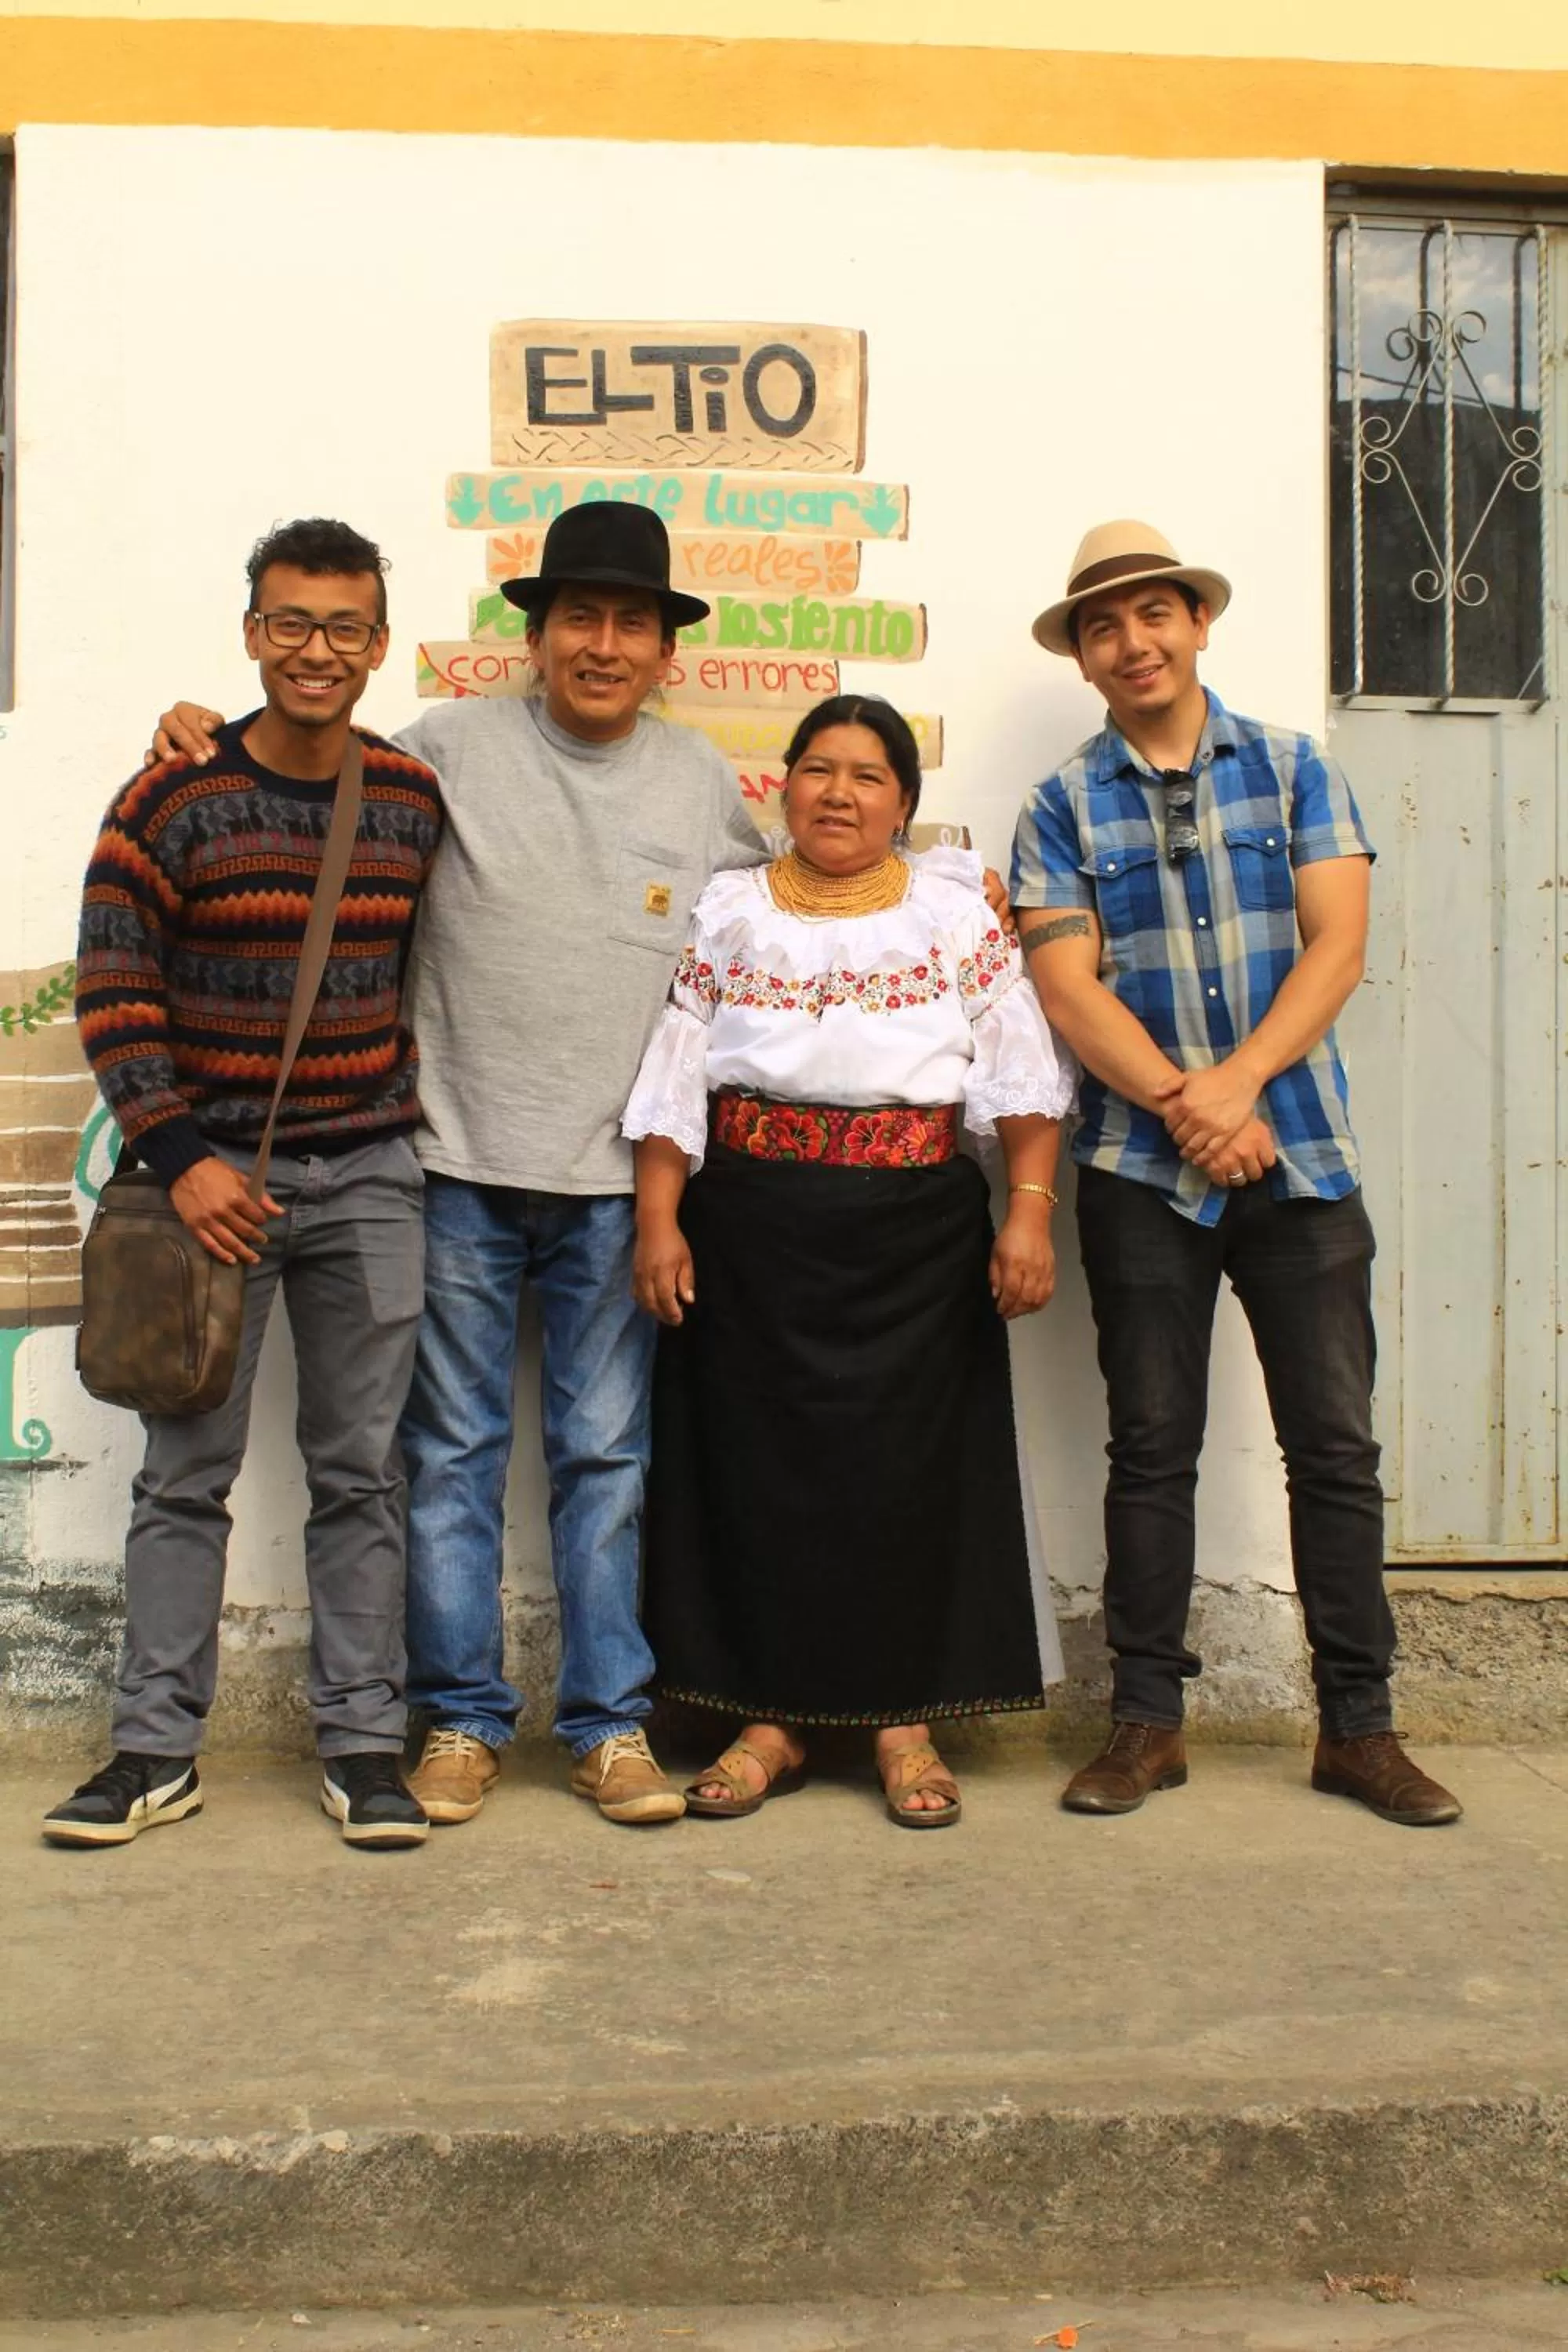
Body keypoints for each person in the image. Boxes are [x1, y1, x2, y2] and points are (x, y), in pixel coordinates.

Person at [152, 507, 1015, 1832]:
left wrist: (959, 882)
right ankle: (457, 1720)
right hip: (451, 1167)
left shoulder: (695, 788)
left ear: (667, 652)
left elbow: (802, 899)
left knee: (608, 1455)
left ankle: (609, 1727)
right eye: (580, 618)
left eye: (632, 624)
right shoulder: (442, 748)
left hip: (622, 1190)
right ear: (536, 634)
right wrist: (203, 734)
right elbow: (310, 764)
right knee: (445, 1455)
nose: (603, 646)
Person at [1011, 518, 1461, 1828]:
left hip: (1301, 1160)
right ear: (1086, 658)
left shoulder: (1293, 767)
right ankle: (1147, 1724)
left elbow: (1339, 942)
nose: (1133, 641)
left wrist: (1240, 1085)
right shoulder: (1061, 802)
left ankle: (1359, 1732)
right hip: (1137, 1173)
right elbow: (1062, 981)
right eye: (1104, 625)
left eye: (1154, 614)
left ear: (1196, 625)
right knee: (1150, 1448)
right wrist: (1184, 1106)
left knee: (1335, 1449)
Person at [45, 518, 443, 1851]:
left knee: (363, 1474)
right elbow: (114, 996)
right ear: (250, 632)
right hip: (211, 1190)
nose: (315, 651)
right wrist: (184, 1159)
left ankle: (365, 1747)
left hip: (375, 1176)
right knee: (183, 1474)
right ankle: (154, 1750)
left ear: (378, 646)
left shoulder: (410, 797)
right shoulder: (167, 800)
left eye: (342, 628)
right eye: (289, 623)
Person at [622, 695, 1073, 1827]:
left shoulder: (955, 910)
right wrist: (657, 1219)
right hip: (753, 1229)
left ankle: (901, 1722)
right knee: (758, 1475)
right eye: (817, 769)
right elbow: (680, 1072)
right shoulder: (729, 912)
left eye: (868, 776)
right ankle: (766, 1720)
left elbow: (1017, 1063)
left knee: (909, 1479)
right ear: (781, 785)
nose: (838, 793)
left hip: (915, 1235)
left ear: (905, 803)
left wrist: (1027, 1212)